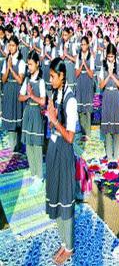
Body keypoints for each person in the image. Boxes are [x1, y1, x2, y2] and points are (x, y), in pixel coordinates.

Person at [45, 57, 78, 264]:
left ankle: (70, 247)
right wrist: (51, 114)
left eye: (53, 76)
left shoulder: (71, 100)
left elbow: (70, 136)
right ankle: (64, 243)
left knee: (65, 199)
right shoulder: (56, 94)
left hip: (64, 152)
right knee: (55, 195)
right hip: (54, 149)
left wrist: (55, 120)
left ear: (62, 76)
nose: (50, 80)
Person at [18, 50, 46, 191]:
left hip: (36, 113)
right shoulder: (27, 80)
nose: (28, 67)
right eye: (27, 64)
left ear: (37, 64)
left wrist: (32, 95)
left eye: (30, 64)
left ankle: (40, 176)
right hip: (28, 112)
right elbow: (20, 97)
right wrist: (28, 96)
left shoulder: (41, 82)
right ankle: (34, 173)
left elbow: (43, 101)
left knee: (37, 145)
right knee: (29, 144)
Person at [99, 44, 119, 161]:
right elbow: (100, 85)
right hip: (107, 96)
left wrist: (112, 76)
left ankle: (115, 154)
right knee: (108, 126)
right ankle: (109, 155)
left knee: (116, 125)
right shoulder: (103, 66)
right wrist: (108, 74)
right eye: (108, 56)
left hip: (115, 95)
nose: (110, 59)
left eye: (112, 56)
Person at [1, 35, 25, 151]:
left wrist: (10, 68)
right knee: (10, 115)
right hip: (8, 89)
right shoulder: (6, 60)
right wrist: (7, 68)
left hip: (17, 90)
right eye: (9, 45)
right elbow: (3, 79)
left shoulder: (21, 61)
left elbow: (20, 80)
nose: (10, 48)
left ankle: (18, 144)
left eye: (13, 45)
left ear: (17, 46)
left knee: (17, 115)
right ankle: (12, 146)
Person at [75, 36, 94, 137]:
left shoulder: (90, 57)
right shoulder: (78, 56)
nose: (83, 46)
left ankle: (88, 131)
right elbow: (76, 74)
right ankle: (82, 130)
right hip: (80, 82)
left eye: (84, 44)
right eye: (81, 44)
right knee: (80, 107)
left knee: (87, 108)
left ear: (88, 45)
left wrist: (84, 65)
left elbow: (91, 74)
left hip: (87, 81)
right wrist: (81, 65)